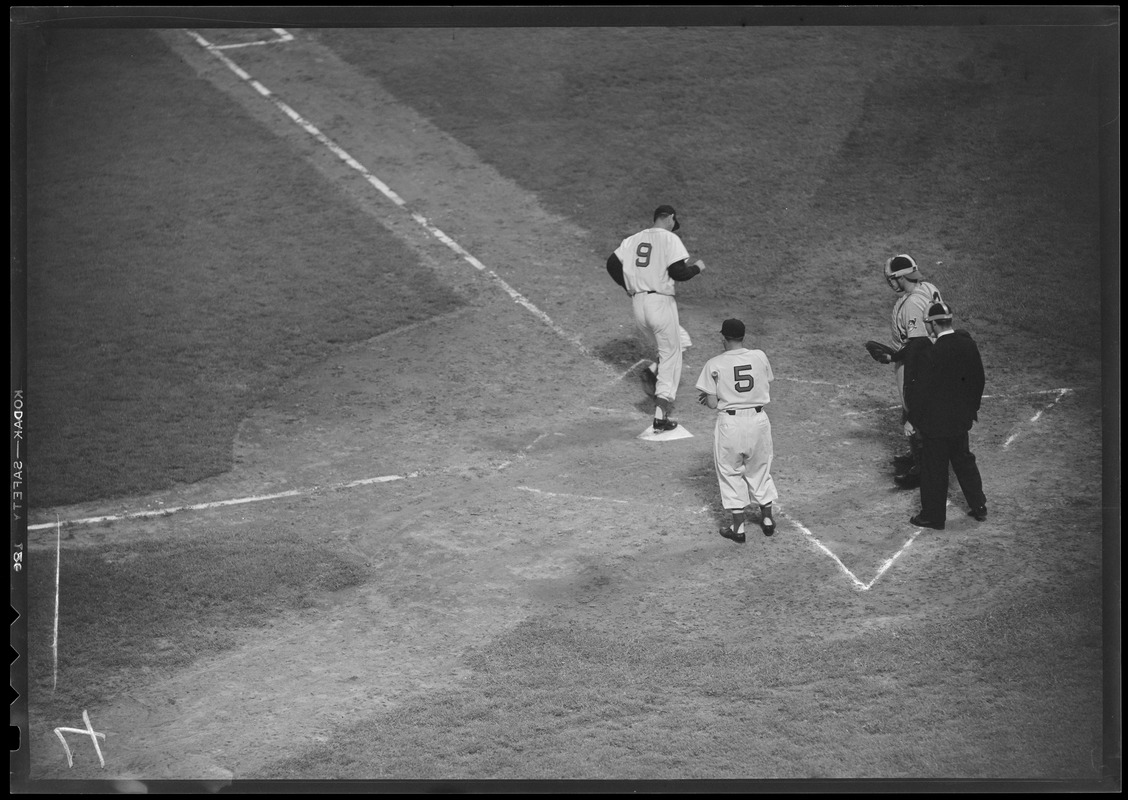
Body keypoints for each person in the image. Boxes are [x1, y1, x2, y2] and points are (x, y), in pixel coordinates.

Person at [606, 205, 706, 433]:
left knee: (681, 341)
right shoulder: (669, 239)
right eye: (674, 223)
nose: (674, 227)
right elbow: (678, 272)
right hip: (660, 304)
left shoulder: (633, 239)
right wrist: (697, 268)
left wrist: (627, 286)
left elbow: (612, 264)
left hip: (639, 306)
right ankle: (661, 414)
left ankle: (653, 371)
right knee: (671, 356)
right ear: (669, 218)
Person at [904, 299, 988, 530]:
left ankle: (933, 516)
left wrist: (912, 420)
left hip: (936, 425)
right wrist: (971, 410)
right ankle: (979, 505)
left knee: (934, 469)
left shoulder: (932, 353)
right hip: (961, 421)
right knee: (964, 461)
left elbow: (922, 392)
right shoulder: (968, 345)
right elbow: (978, 380)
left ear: (932, 325)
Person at [695, 318, 779, 543]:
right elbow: (765, 380)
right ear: (743, 336)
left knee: (730, 472)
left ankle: (738, 528)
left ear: (724, 337)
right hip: (759, 420)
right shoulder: (760, 356)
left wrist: (717, 395)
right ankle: (768, 520)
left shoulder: (714, 363)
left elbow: (712, 404)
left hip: (730, 425)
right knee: (760, 468)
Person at [880, 254, 944, 488]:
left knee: (914, 410)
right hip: (924, 360)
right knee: (915, 410)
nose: (890, 282)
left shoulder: (913, 303)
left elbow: (918, 347)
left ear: (900, 277)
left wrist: (892, 356)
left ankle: (922, 467)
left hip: (916, 365)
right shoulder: (927, 288)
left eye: (891, 278)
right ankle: (917, 456)